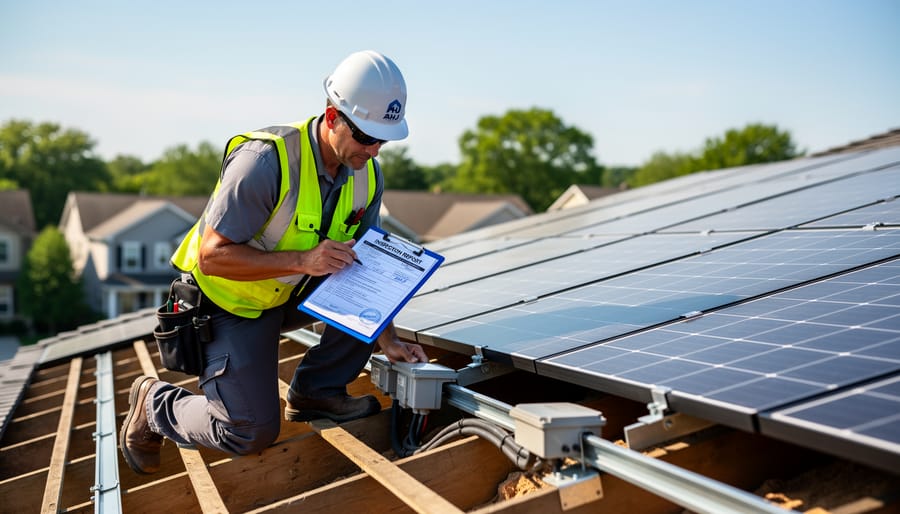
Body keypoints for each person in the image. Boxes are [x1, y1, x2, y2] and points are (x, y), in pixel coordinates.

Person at [120, 50, 428, 475]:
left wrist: (388, 341)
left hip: (285, 292)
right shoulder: (265, 162)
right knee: (248, 430)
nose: (373, 151)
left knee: (366, 275)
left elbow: (370, 267)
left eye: (382, 141)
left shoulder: (367, 175)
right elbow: (211, 257)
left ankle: (317, 391)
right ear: (332, 116)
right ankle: (155, 403)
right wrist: (304, 260)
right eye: (365, 137)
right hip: (228, 303)